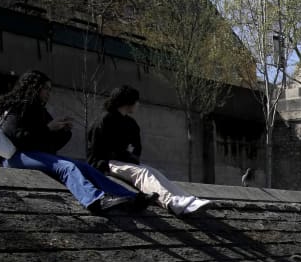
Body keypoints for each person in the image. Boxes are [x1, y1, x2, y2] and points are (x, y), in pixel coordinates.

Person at [0, 70, 146, 212]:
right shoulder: (18, 108)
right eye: (45, 89)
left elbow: (49, 145)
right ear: (34, 88)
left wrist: (63, 132)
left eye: (50, 89)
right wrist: (48, 128)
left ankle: (131, 197)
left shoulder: (40, 111)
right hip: (16, 156)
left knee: (84, 167)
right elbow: (16, 137)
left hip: (36, 154)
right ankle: (94, 200)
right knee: (67, 167)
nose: (48, 93)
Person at [88, 85, 211, 216]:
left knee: (155, 172)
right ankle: (172, 202)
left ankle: (188, 199)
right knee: (142, 172)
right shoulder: (105, 119)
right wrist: (116, 157)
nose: (138, 104)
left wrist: (131, 156)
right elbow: (96, 149)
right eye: (136, 101)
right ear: (128, 102)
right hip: (105, 163)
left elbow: (136, 147)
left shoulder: (131, 123)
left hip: (124, 161)